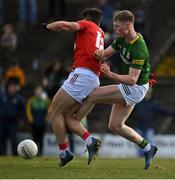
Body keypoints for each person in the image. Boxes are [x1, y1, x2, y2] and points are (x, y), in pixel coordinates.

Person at [67, 10, 158, 170]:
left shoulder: (139, 48)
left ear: (128, 25)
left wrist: (110, 74)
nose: (114, 29)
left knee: (93, 95)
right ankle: (148, 148)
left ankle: (74, 122)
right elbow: (106, 54)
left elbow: (131, 80)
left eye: (117, 27)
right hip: (133, 86)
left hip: (134, 88)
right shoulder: (121, 38)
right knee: (115, 125)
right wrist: (98, 54)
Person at [43, 8, 104, 166]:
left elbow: (64, 25)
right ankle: (91, 141)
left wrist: (48, 26)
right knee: (69, 117)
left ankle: (64, 152)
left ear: (86, 19)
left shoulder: (87, 25)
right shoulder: (100, 32)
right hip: (93, 77)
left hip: (83, 75)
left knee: (53, 112)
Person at [26, 86, 50, 155]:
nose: (38, 93)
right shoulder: (31, 100)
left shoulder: (46, 100)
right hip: (34, 122)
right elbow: (28, 110)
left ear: (42, 92)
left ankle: (41, 152)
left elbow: (49, 110)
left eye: (40, 92)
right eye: (37, 92)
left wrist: (46, 118)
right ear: (35, 93)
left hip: (42, 122)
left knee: (41, 138)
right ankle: (34, 152)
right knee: (35, 138)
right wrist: (30, 119)